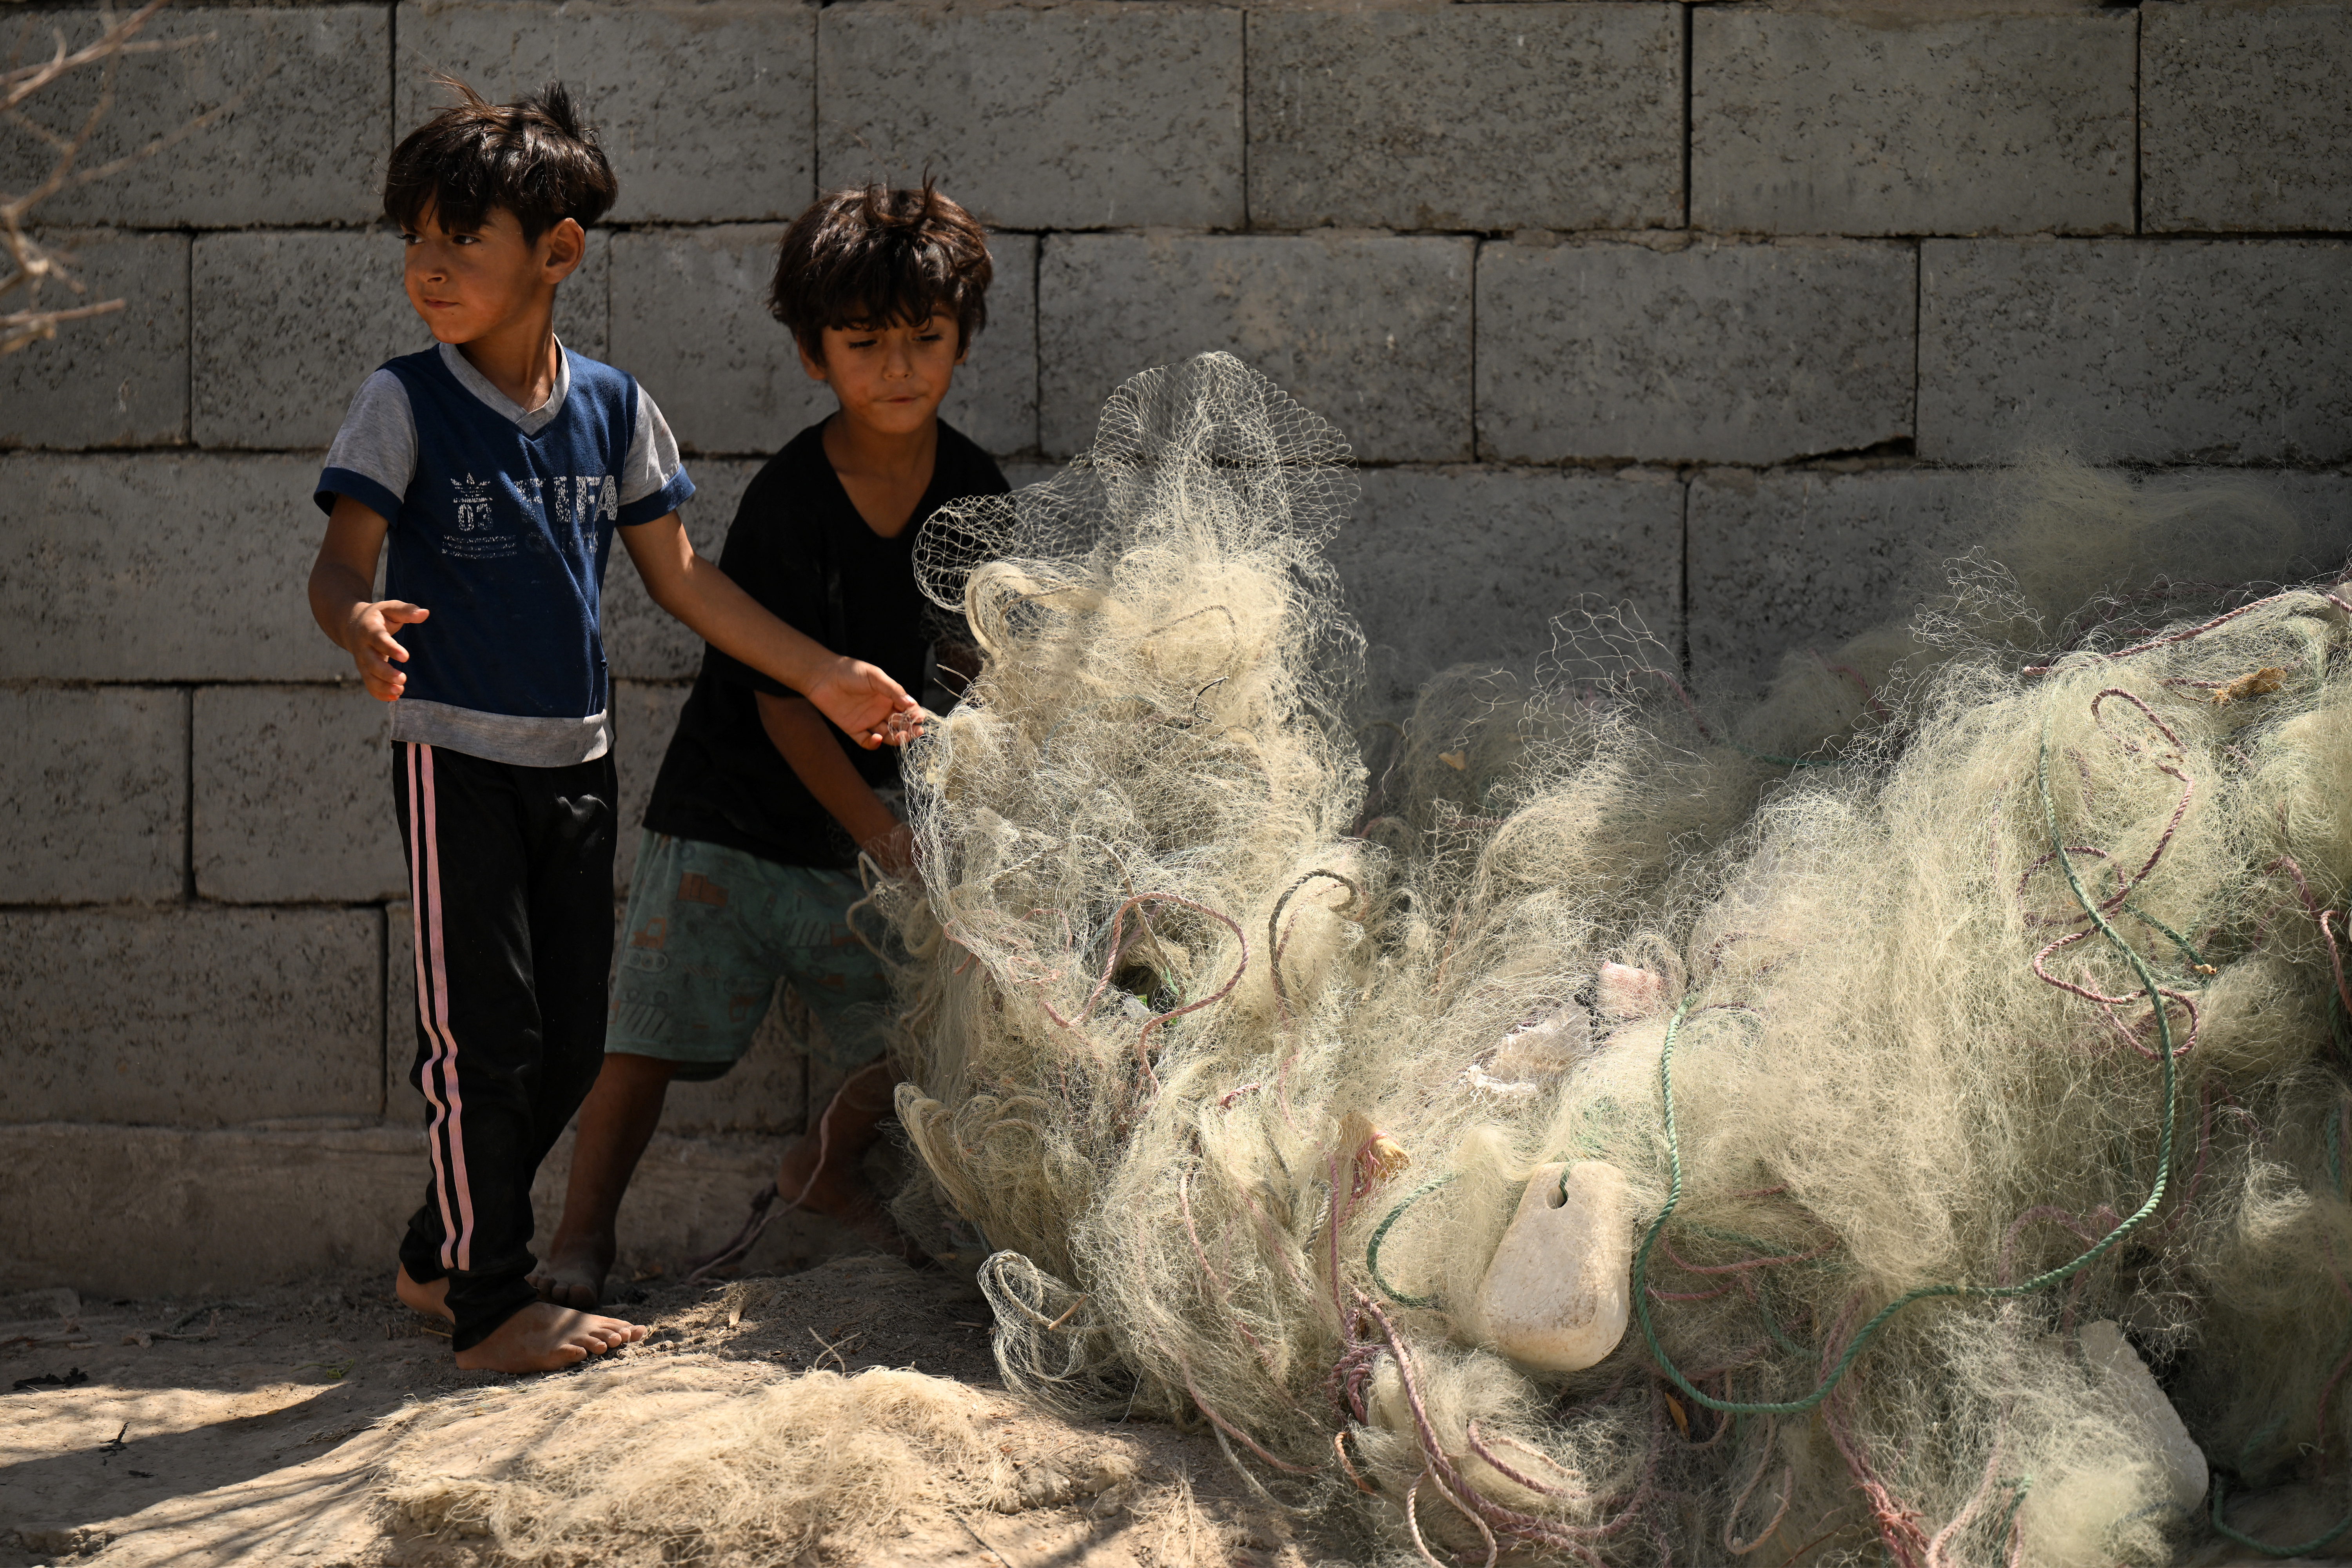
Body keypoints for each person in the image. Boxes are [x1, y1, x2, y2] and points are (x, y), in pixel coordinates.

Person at [305, 80, 920, 1374]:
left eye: (459, 241)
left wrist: (827, 676)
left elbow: (685, 580)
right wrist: (356, 626)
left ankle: (436, 1256)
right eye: (415, 241)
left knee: (573, 1038)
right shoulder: (403, 403)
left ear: (557, 254)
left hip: (576, 768)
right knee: (485, 1040)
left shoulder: (614, 409)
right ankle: (488, 1307)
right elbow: (339, 561)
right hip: (454, 761)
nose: (428, 269)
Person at [529, 181, 1007, 1308]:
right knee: (644, 1037)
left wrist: (950, 803)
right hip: (733, 825)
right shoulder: (794, 499)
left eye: (926, 340)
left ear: (963, 343)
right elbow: (784, 704)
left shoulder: (977, 495)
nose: (899, 367)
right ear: (812, 356)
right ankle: (582, 1239)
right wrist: (881, 833)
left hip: (879, 839)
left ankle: (824, 1169)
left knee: (938, 1035)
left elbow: (978, 670)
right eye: (865, 343)